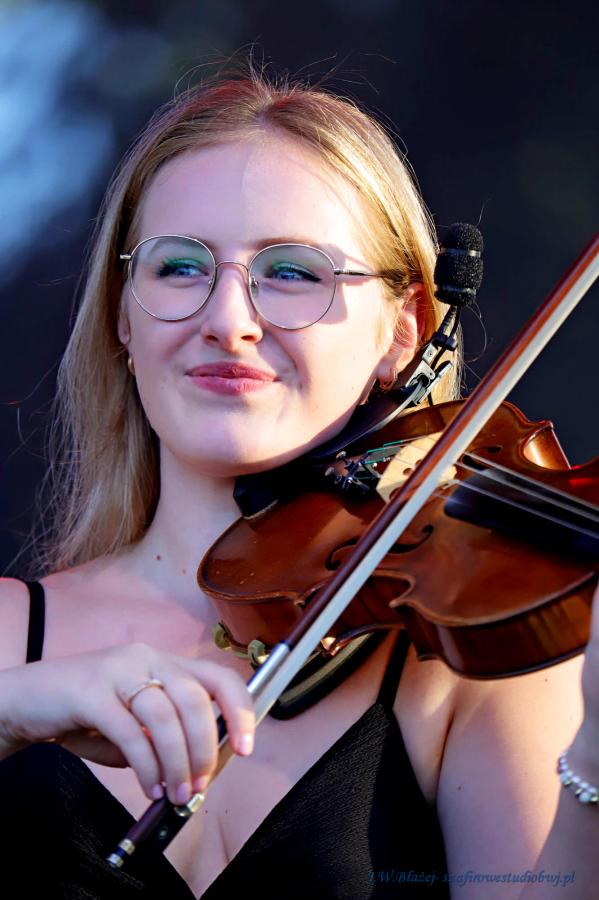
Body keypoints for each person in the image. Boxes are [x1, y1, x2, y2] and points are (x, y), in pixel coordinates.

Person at [0, 68, 596, 899]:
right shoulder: (9, 639)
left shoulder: (461, 660)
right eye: (180, 267)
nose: (227, 320)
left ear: (402, 332)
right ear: (123, 316)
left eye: (292, 272)